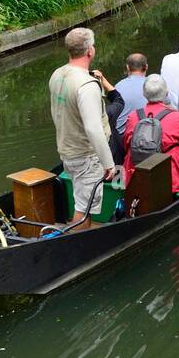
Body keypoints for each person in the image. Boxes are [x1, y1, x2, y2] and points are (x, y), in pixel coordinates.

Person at [47, 27, 117, 230]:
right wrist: (108, 163)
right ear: (90, 51)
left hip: (66, 150)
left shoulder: (57, 75)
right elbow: (93, 128)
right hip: (86, 155)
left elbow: (56, 113)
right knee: (84, 209)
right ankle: (72, 246)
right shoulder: (87, 85)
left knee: (80, 199)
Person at [123, 74, 179, 191]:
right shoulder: (176, 117)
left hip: (136, 175)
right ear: (166, 94)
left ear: (144, 94)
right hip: (169, 179)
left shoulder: (132, 117)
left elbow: (126, 144)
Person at [114, 53, 166, 135]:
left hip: (123, 136)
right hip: (151, 136)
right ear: (146, 67)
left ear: (127, 67)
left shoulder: (118, 86)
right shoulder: (155, 85)